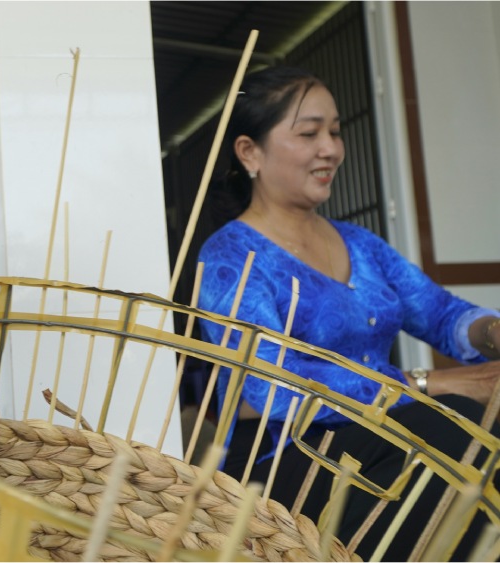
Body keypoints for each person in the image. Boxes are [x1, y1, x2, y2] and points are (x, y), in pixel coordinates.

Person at [196, 65, 500, 560]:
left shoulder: (361, 244)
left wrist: (492, 331)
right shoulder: (230, 257)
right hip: (292, 458)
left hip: (390, 432)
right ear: (250, 152)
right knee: (454, 428)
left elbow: (442, 314)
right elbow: (273, 388)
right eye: (309, 133)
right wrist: (431, 385)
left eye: (335, 131)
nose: (331, 149)